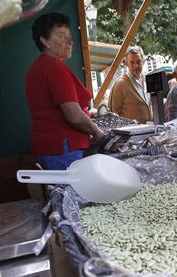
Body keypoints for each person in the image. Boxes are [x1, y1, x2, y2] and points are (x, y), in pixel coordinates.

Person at [26, 13, 104, 170]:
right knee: (72, 194)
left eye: (69, 35)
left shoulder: (38, 67)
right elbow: (74, 116)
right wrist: (98, 132)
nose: (69, 41)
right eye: (61, 36)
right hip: (63, 149)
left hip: (50, 148)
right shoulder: (55, 67)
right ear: (45, 41)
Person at [109, 46, 152, 123]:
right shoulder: (121, 84)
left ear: (143, 61)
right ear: (127, 64)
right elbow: (113, 115)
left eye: (138, 62)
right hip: (131, 133)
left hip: (150, 130)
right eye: (132, 63)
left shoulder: (147, 79)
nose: (136, 66)